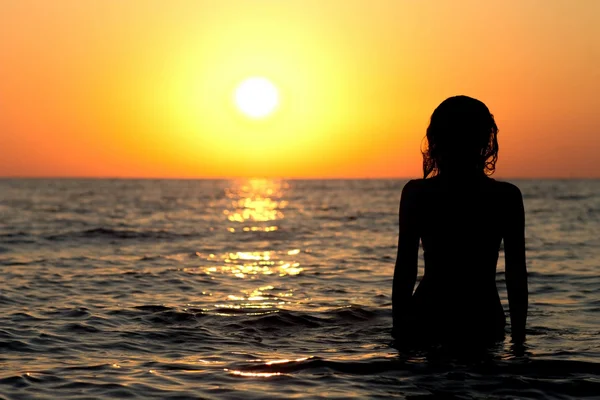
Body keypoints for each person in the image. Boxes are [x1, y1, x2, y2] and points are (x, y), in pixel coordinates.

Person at [392, 95, 528, 347]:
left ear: (435, 141)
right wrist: (519, 342)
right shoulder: (505, 197)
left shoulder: (417, 194)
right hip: (483, 318)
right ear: (486, 140)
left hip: (428, 315)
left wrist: (398, 333)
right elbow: (516, 276)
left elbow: (405, 271)